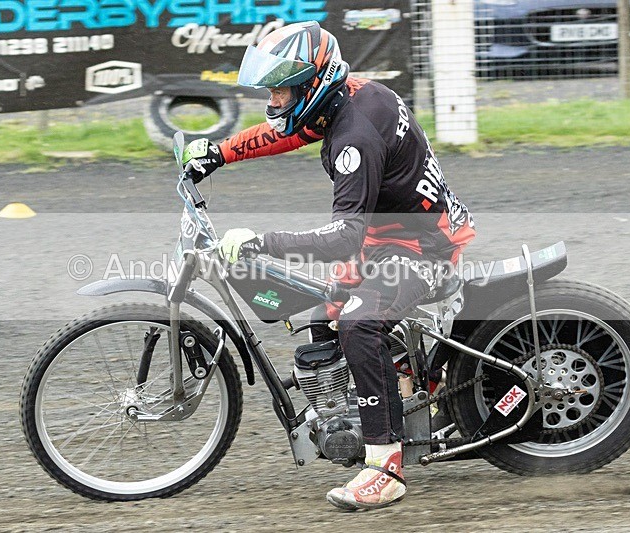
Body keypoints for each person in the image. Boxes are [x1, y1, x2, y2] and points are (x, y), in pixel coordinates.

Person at [182, 21, 475, 510]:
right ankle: (390, 396)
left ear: (311, 85)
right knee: (325, 313)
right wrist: (220, 152)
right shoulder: (349, 96)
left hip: (423, 248)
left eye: (279, 91)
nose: (273, 103)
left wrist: (260, 242)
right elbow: (290, 132)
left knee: (359, 321)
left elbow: (344, 238)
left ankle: (386, 466)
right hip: (393, 236)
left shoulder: (354, 139)